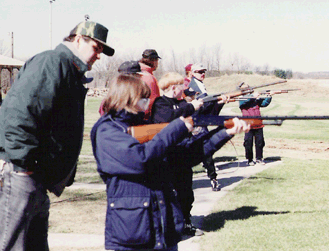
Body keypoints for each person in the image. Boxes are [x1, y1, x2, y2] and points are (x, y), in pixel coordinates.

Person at [91, 74, 249, 250]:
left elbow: (186, 156)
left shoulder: (143, 126)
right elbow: (140, 159)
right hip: (134, 232)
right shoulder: (107, 130)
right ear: (128, 99)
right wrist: (178, 127)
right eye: (143, 99)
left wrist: (225, 132)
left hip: (165, 227)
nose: (146, 103)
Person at [0, 20, 114, 251]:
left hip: (36, 179)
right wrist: (23, 167)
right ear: (78, 39)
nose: (99, 55)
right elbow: (18, 116)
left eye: (102, 50)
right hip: (23, 176)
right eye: (96, 47)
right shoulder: (52, 62)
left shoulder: (68, 69)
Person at [151, 72, 204, 236]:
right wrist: (190, 106)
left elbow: (196, 114)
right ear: (174, 87)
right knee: (169, 193)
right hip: (167, 155)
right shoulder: (160, 103)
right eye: (182, 86)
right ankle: (170, 226)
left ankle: (186, 223)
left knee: (186, 192)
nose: (185, 88)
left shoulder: (180, 103)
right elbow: (168, 117)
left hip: (183, 152)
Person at [185, 63, 228, 191]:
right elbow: (199, 106)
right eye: (199, 72)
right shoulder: (190, 85)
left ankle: (213, 179)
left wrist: (219, 103)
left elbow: (206, 106)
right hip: (194, 123)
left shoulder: (200, 85)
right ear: (192, 73)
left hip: (200, 122)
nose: (202, 74)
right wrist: (217, 102)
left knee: (206, 153)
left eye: (204, 71)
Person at [239, 84, 272, 166]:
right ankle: (249, 159)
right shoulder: (241, 99)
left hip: (258, 124)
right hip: (248, 125)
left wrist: (269, 96)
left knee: (260, 142)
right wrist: (253, 96)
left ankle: (259, 158)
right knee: (248, 143)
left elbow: (264, 103)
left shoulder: (255, 100)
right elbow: (245, 101)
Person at [139, 49, 161, 119]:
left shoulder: (135, 72)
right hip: (145, 118)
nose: (157, 63)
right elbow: (152, 102)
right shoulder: (149, 77)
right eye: (157, 60)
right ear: (154, 60)